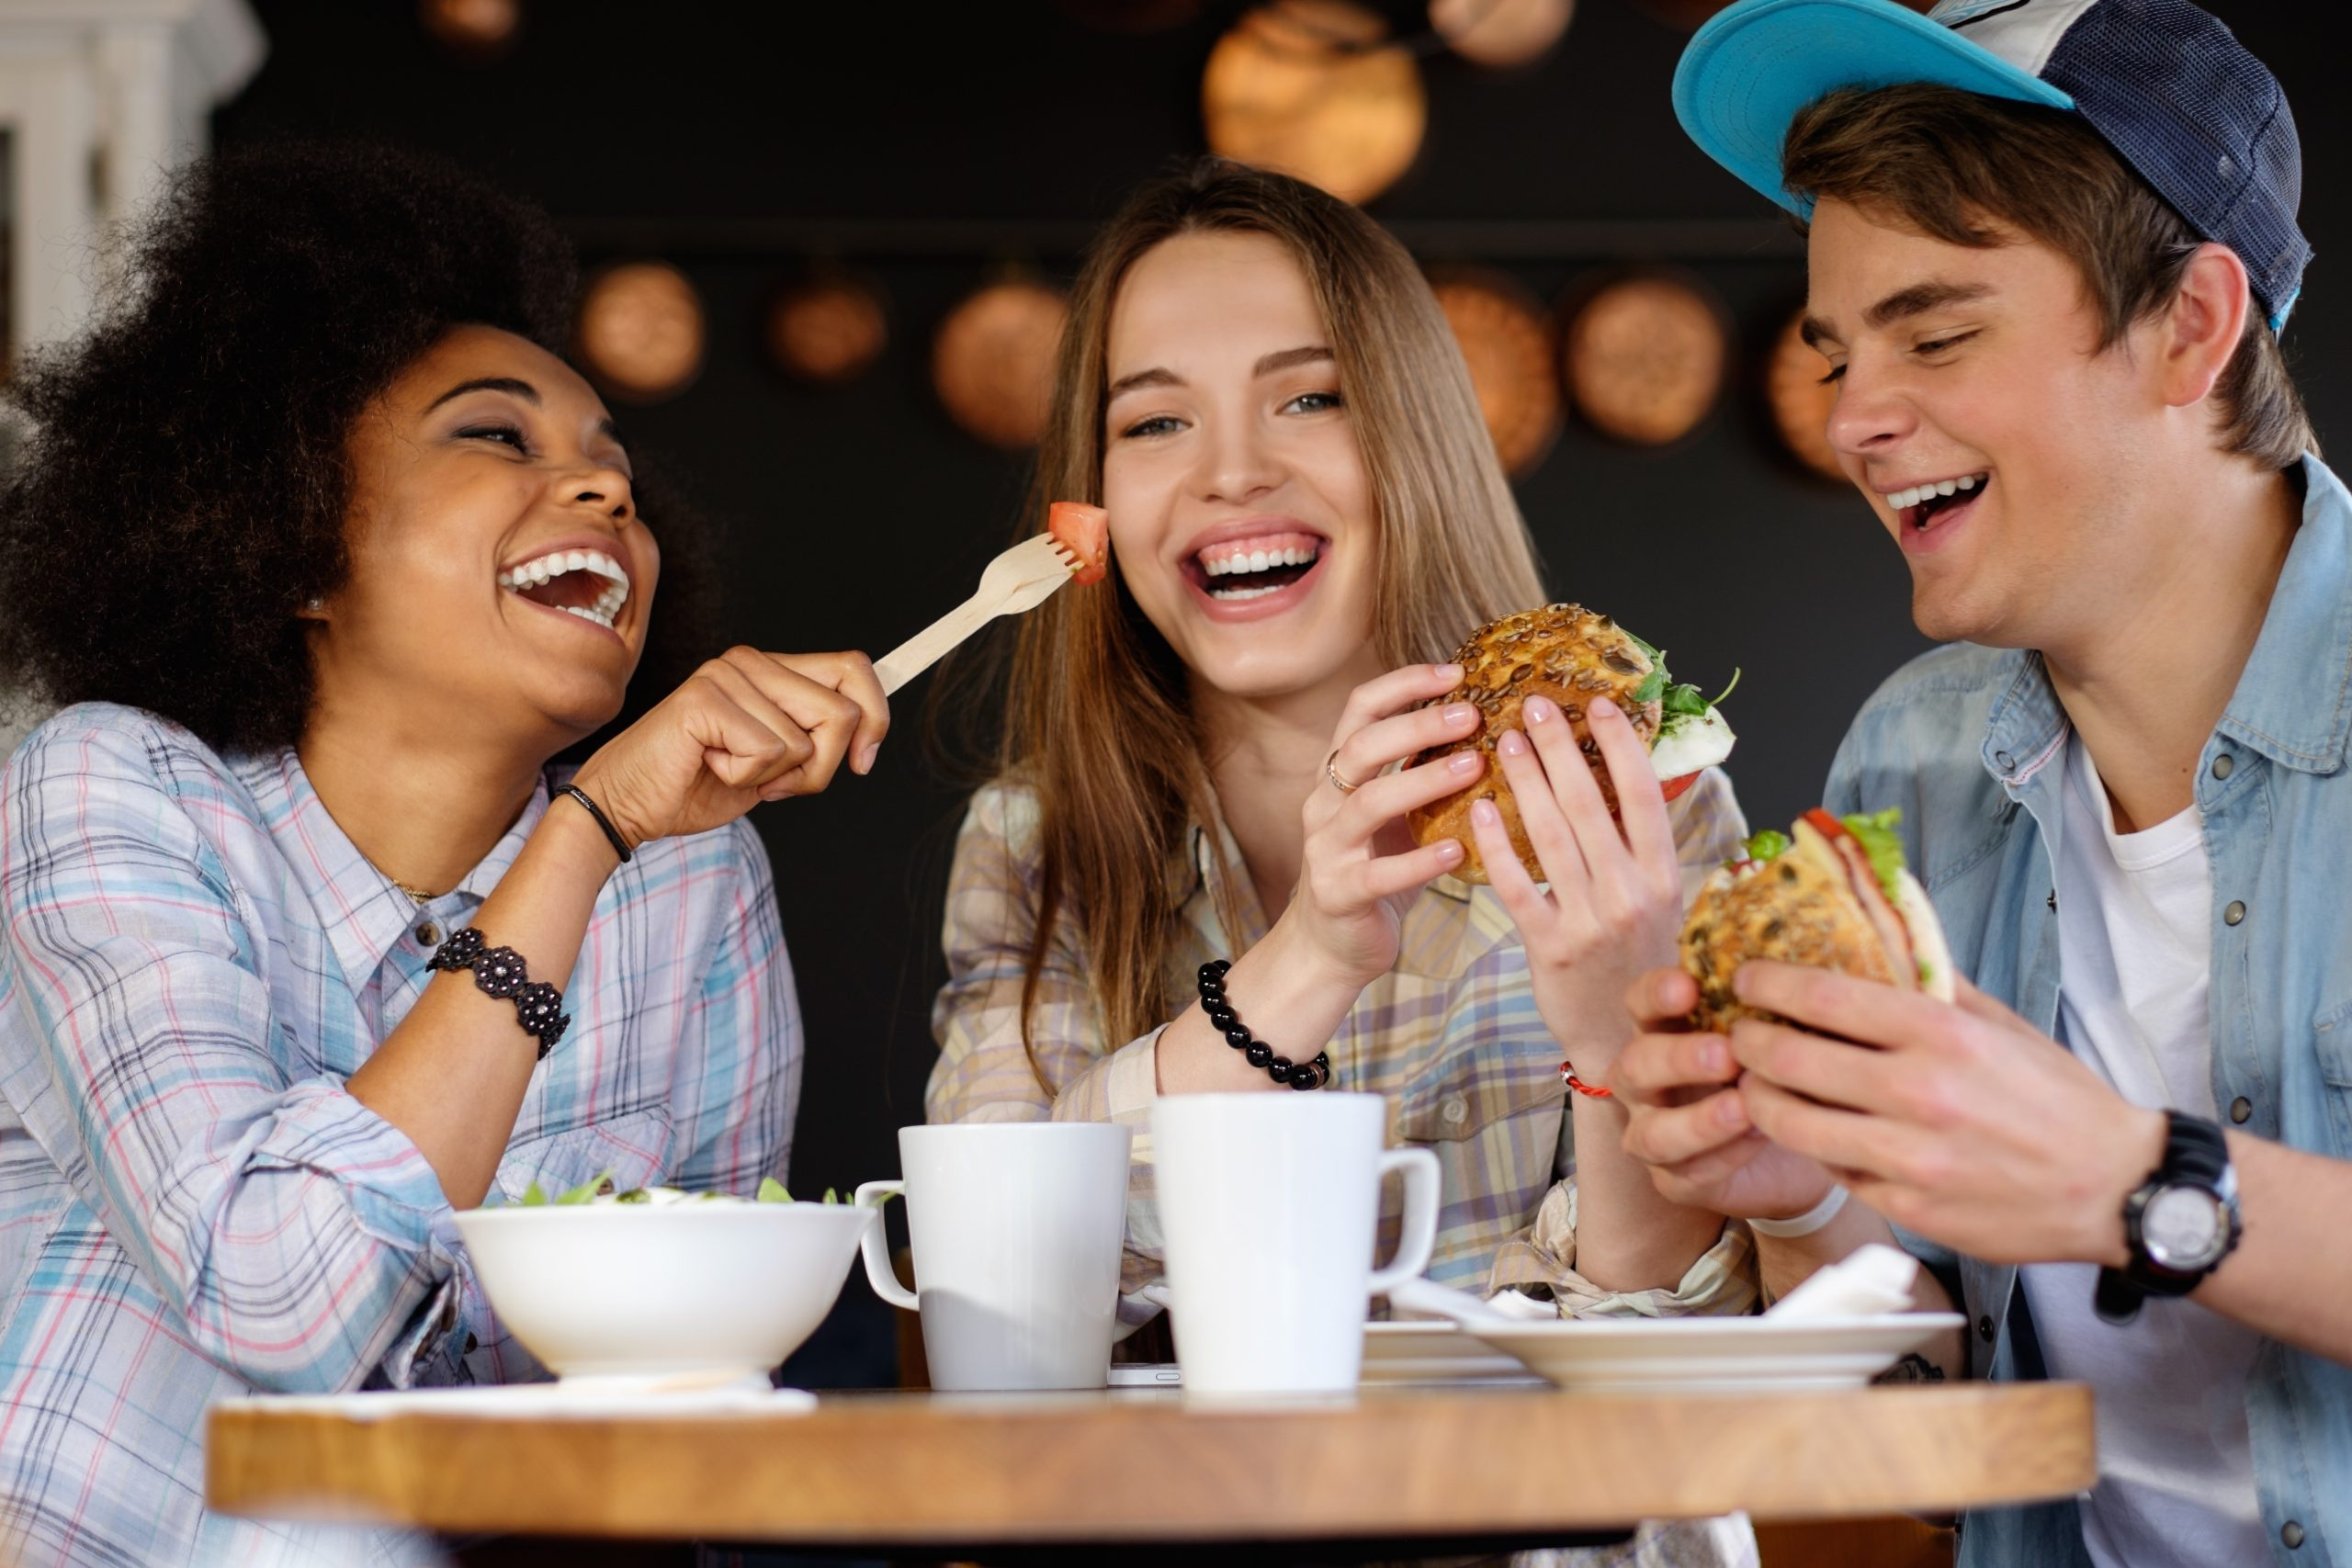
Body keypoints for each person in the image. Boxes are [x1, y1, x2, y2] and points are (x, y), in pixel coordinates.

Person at [0, 143, 886, 1568]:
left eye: (616, 466)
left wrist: (615, 844)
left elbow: (693, 1400)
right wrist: (584, 837)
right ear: (282, 532)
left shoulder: (692, 883)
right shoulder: (113, 787)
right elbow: (287, 1308)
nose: (602, 493)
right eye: (497, 438)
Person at [927, 157, 1758, 1564]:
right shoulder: (1037, 841)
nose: (1233, 470)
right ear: (1098, 506)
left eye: (1311, 398)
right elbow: (998, 1288)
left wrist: (1622, 1036)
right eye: (1154, 421)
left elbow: (1673, 1368)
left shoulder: (1639, 801)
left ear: (1418, 440)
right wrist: (1305, 959)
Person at [1611, 3, 2349, 1564]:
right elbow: (1938, 1464)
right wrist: (1804, 1203)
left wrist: (2143, 1185)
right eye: (1837, 351)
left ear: (2193, 327)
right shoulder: (1917, 758)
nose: (1853, 417)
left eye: (1936, 334)